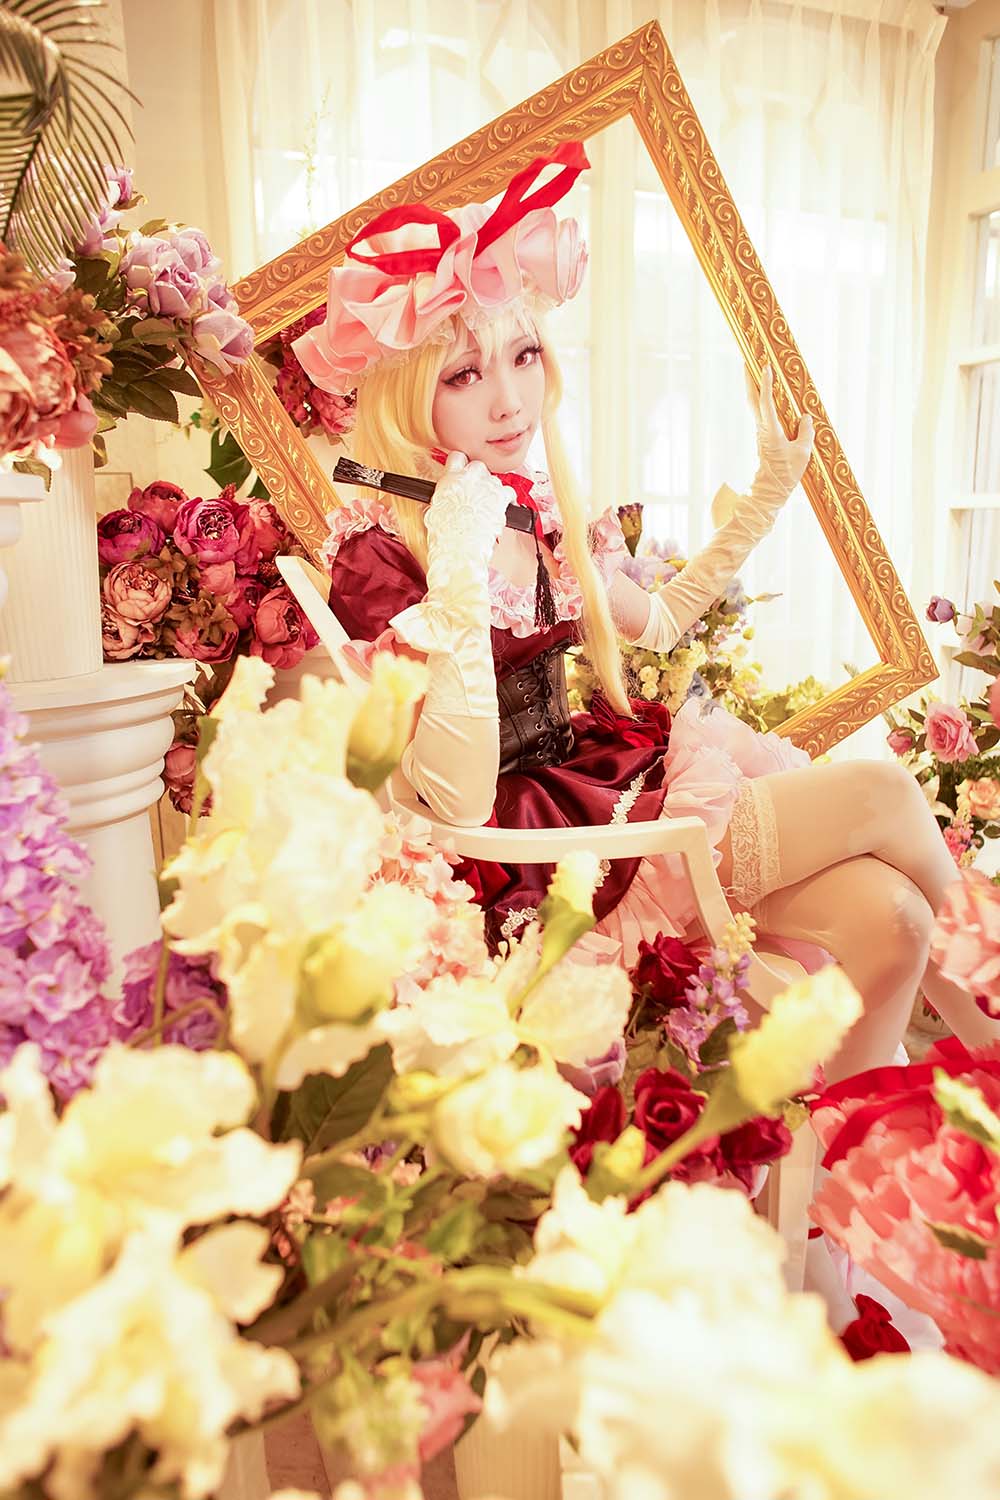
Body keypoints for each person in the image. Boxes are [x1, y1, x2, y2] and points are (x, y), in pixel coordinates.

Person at [295, 141, 997, 1091]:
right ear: (406, 394)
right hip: (534, 855)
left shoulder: (536, 511)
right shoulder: (380, 555)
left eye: (524, 356)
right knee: (881, 793)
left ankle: (860, 1147)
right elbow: (453, 799)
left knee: (895, 922)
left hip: (601, 784)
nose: (509, 400)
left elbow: (658, 621)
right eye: (464, 375)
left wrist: (767, 492)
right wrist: (455, 566)